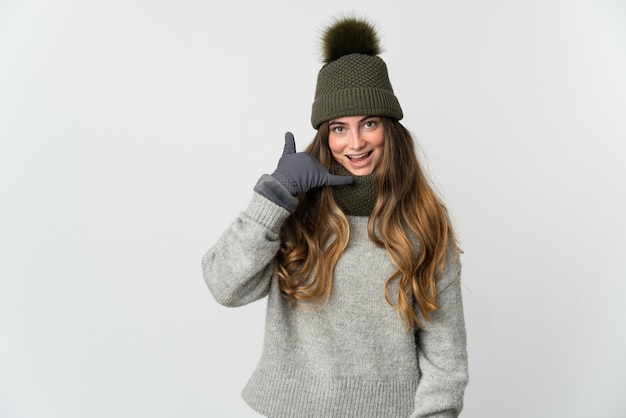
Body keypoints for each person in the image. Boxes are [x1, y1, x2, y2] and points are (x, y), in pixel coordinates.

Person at [202, 15, 468, 418]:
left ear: (390, 129)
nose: (356, 142)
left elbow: (446, 358)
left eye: (370, 124)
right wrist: (273, 197)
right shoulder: (296, 211)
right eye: (340, 128)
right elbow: (225, 286)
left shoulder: (424, 223)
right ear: (325, 135)